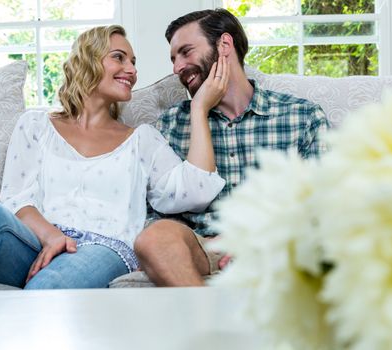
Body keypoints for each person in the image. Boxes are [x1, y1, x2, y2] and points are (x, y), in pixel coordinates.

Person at [0, 24, 228, 291]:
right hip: (36, 243)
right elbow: (19, 200)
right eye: (119, 57)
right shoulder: (35, 125)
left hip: (104, 248)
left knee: (49, 288)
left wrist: (199, 109)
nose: (132, 70)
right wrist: (51, 235)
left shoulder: (142, 139)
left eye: (134, 62)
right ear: (88, 60)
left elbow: (195, 190)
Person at [133, 9, 329, 286]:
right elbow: (153, 214)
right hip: (203, 249)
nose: (177, 67)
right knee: (154, 239)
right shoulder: (171, 124)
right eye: (173, 59)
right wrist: (199, 107)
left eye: (186, 52)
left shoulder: (301, 116)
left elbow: (324, 202)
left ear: (225, 45)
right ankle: (208, 321)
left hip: (277, 243)